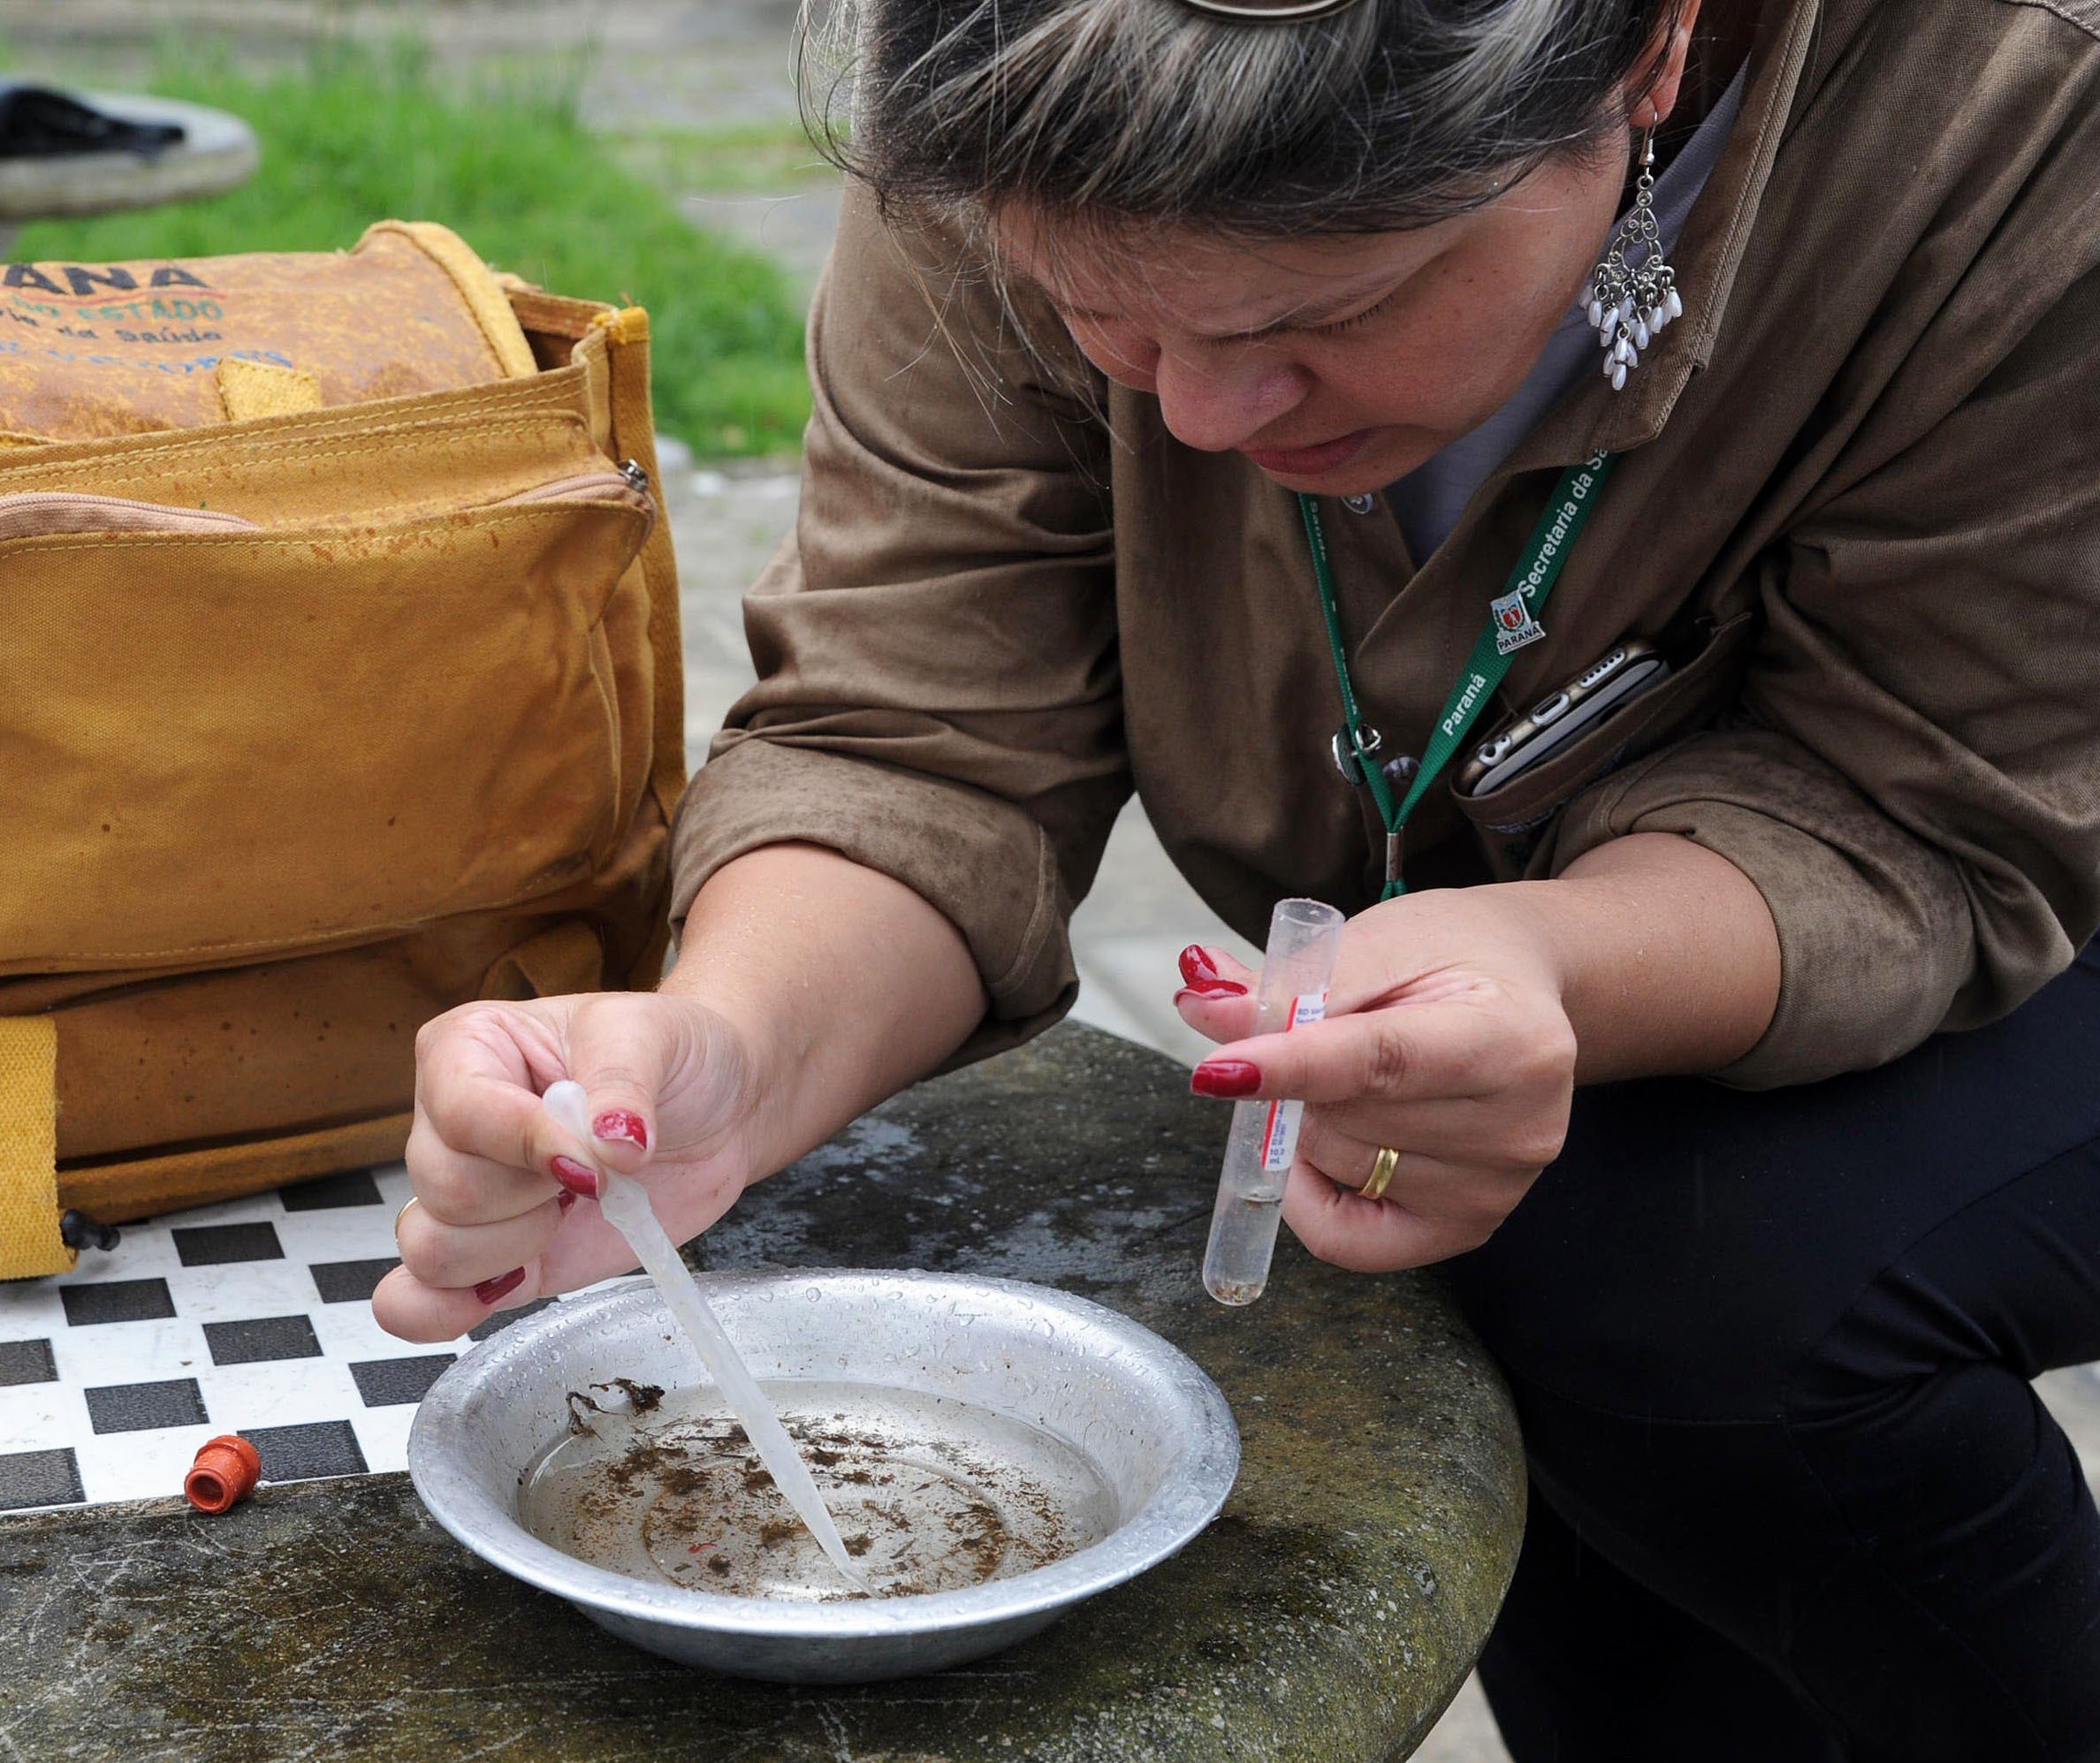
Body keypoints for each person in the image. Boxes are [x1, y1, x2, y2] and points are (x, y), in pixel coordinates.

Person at [375, 0, 2100, 1753]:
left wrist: (1554, 953)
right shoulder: (1017, 77)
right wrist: (729, 1048)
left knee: (1705, 1296)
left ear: (1652, 53)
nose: (1196, 412)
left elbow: (1924, 792)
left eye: (1328, 312)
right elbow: (922, 721)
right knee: (1515, 1288)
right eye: (1099, 307)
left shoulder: (2024, 116)